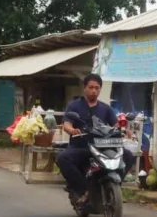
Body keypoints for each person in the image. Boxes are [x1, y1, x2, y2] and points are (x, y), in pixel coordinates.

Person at [56, 73, 136, 203]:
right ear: (85, 88)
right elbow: (67, 124)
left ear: (100, 89)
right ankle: (83, 189)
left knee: (128, 156)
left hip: (102, 147)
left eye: (97, 88)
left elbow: (115, 125)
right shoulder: (75, 105)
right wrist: (72, 130)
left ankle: (116, 187)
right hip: (81, 146)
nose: (94, 91)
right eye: (91, 87)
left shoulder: (106, 108)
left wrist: (124, 131)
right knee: (62, 158)